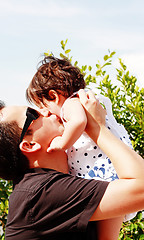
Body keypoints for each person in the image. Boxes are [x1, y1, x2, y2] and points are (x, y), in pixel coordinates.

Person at [0, 90, 144, 240]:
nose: (45, 111)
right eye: (33, 113)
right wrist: (98, 127)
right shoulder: (39, 194)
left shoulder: (61, 182)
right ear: (29, 145)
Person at [26, 56, 136, 222]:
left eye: (43, 107)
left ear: (53, 96)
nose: (45, 113)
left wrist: (63, 143)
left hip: (103, 173)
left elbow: (79, 121)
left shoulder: (72, 103)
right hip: (111, 172)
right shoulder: (84, 101)